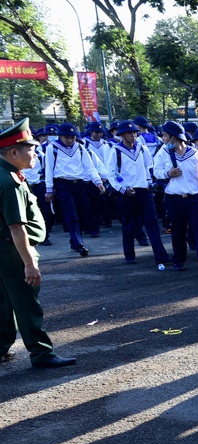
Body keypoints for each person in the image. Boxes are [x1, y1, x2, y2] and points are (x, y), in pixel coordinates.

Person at [0, 118, 76, 369]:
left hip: (5, 249)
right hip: (12, 250)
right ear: (13, 152)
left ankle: (1, 347)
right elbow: (16, 227)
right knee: (26, 302)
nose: (35, 152)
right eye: (30, 148)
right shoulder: (9, 182)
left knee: (4, 302)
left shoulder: (5, 173)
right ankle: (41, 353)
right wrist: (30, 264)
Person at [153, 121, 198, 275]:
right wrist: (168, 174)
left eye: (165, 135)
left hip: (194, 198)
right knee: (178, 231)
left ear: (174, 138)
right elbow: (156, 171)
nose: (163, 138)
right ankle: (179, 260)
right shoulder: (163, 152)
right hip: (174, 198)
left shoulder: (193, 153)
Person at [107, 120, 171, 268]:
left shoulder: (142, 148)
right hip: (127, 192)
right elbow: (112, 174)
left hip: (144, 191)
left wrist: (149, 183)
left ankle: (160, 255)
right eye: (129, 133)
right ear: (122, 135)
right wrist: (122, 189)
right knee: (129, 224)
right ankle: (129, 255)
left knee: (152, 224)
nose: (133, 135)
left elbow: (149, 167)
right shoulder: (115, 150)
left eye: (134, 132)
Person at [44, 122, 103, 257]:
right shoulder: (53, 148)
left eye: (72, 137)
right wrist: (49, 189)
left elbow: (90, 167)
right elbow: (49, 169)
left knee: (84, 211)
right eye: (66, 137)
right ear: (60, 137)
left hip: (79, 184)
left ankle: (74, 240)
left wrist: (98, 181)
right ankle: (78, 244)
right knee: (72, 214)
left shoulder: (81, 148)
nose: (70, 140)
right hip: (63, 184)